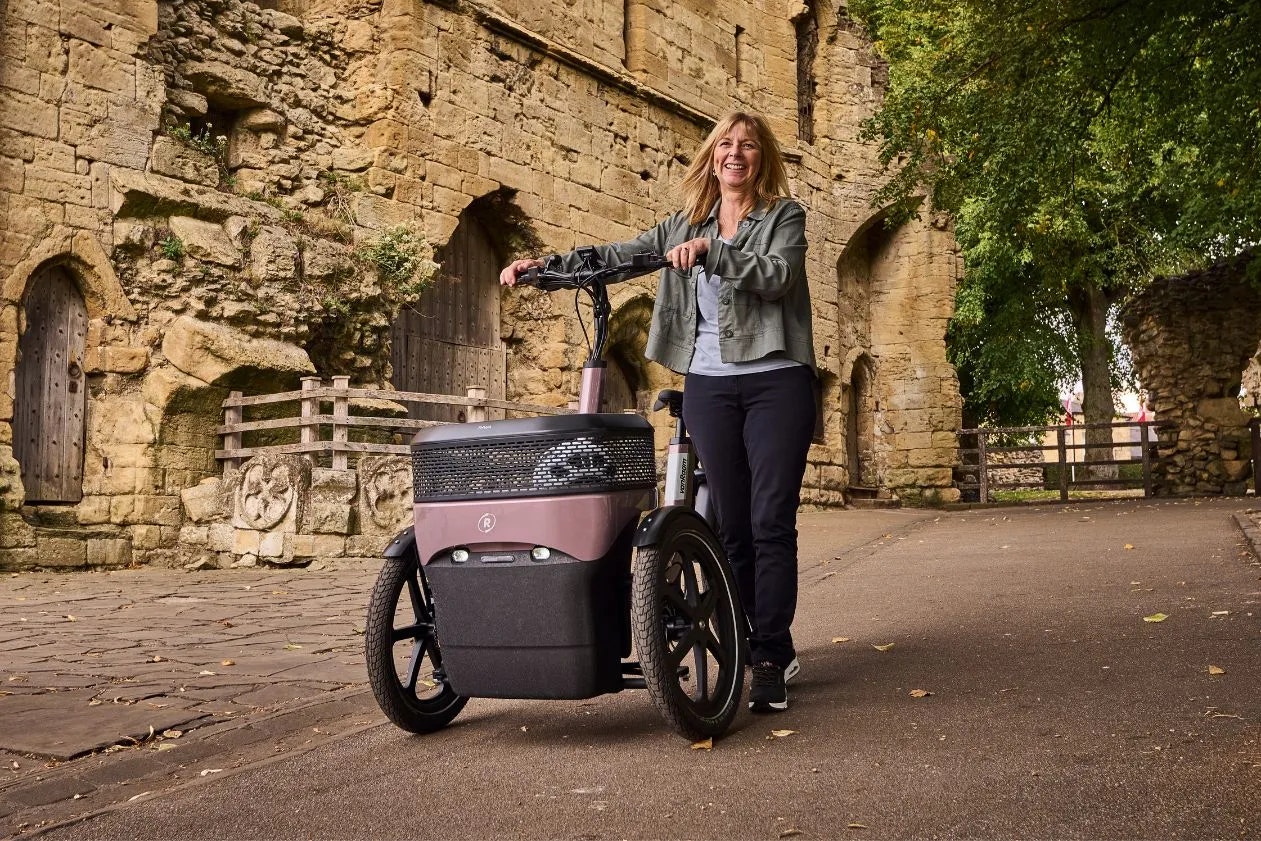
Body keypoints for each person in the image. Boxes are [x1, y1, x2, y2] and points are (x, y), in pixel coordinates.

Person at [500, 111, 816, 713]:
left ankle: (774, 655)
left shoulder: (784, 216)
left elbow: (778, 276)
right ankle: (750, 641)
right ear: (712, 157)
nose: (735, 154)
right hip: (710, 384)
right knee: (730, 527)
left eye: (748, 146)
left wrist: (714, 253)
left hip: (776, 379)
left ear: (762, 158)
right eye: (726, 144)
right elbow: (621, 257)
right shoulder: (683, 224)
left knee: (771, 521)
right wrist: (545, 269)